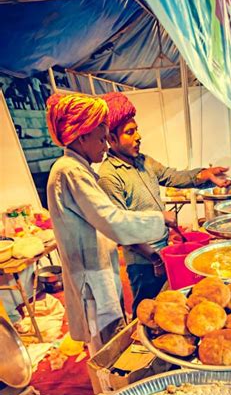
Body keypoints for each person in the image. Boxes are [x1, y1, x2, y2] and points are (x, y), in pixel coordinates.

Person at [46, 92, 175, 354]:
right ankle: (108, 393)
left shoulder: (79, 169)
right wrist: (159, 219)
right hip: (91, 276)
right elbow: (113, 220)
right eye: (102, 139)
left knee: (113, 336)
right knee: (105, 349)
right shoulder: (69, 171)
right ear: (82, 137)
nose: (105, 147)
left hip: (100, 270)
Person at [98, 93, 229, 315]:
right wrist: (153, 258)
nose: (138, 136)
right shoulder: (109, 176)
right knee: (147, 312)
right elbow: (121, 230)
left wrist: (204, 174)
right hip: (142, 261)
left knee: (169, 309)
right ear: (111, 138)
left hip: (163, 251)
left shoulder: (143, 161)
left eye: (136, 129)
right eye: (130, 132)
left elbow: (172, 176)